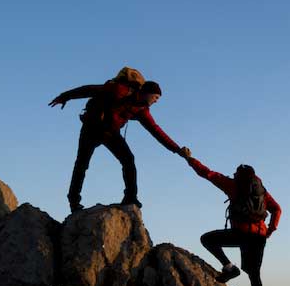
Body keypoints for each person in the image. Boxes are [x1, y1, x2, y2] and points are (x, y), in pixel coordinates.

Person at [49, 68, 190, 213]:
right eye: (156, 97)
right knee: (82, 164)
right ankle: (74, 202)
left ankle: (131, 197)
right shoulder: (119, 90)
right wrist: (65, 96)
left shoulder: (142, 110)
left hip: (110, 133)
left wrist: (177, 150)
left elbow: (156, 131)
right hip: (91, 128)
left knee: (128, 159)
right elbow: (89, 90)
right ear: (147, 93)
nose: (156, 101)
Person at [186, 156, 281, 286]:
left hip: (241, 234)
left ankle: (229, 268)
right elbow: (277, 209)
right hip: (259, 237)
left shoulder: (233, 185)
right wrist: (270, 230)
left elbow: (207, 173)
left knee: (207, 239)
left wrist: (189, 158)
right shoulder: (262, 192)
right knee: (254, 273)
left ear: (238, 176)